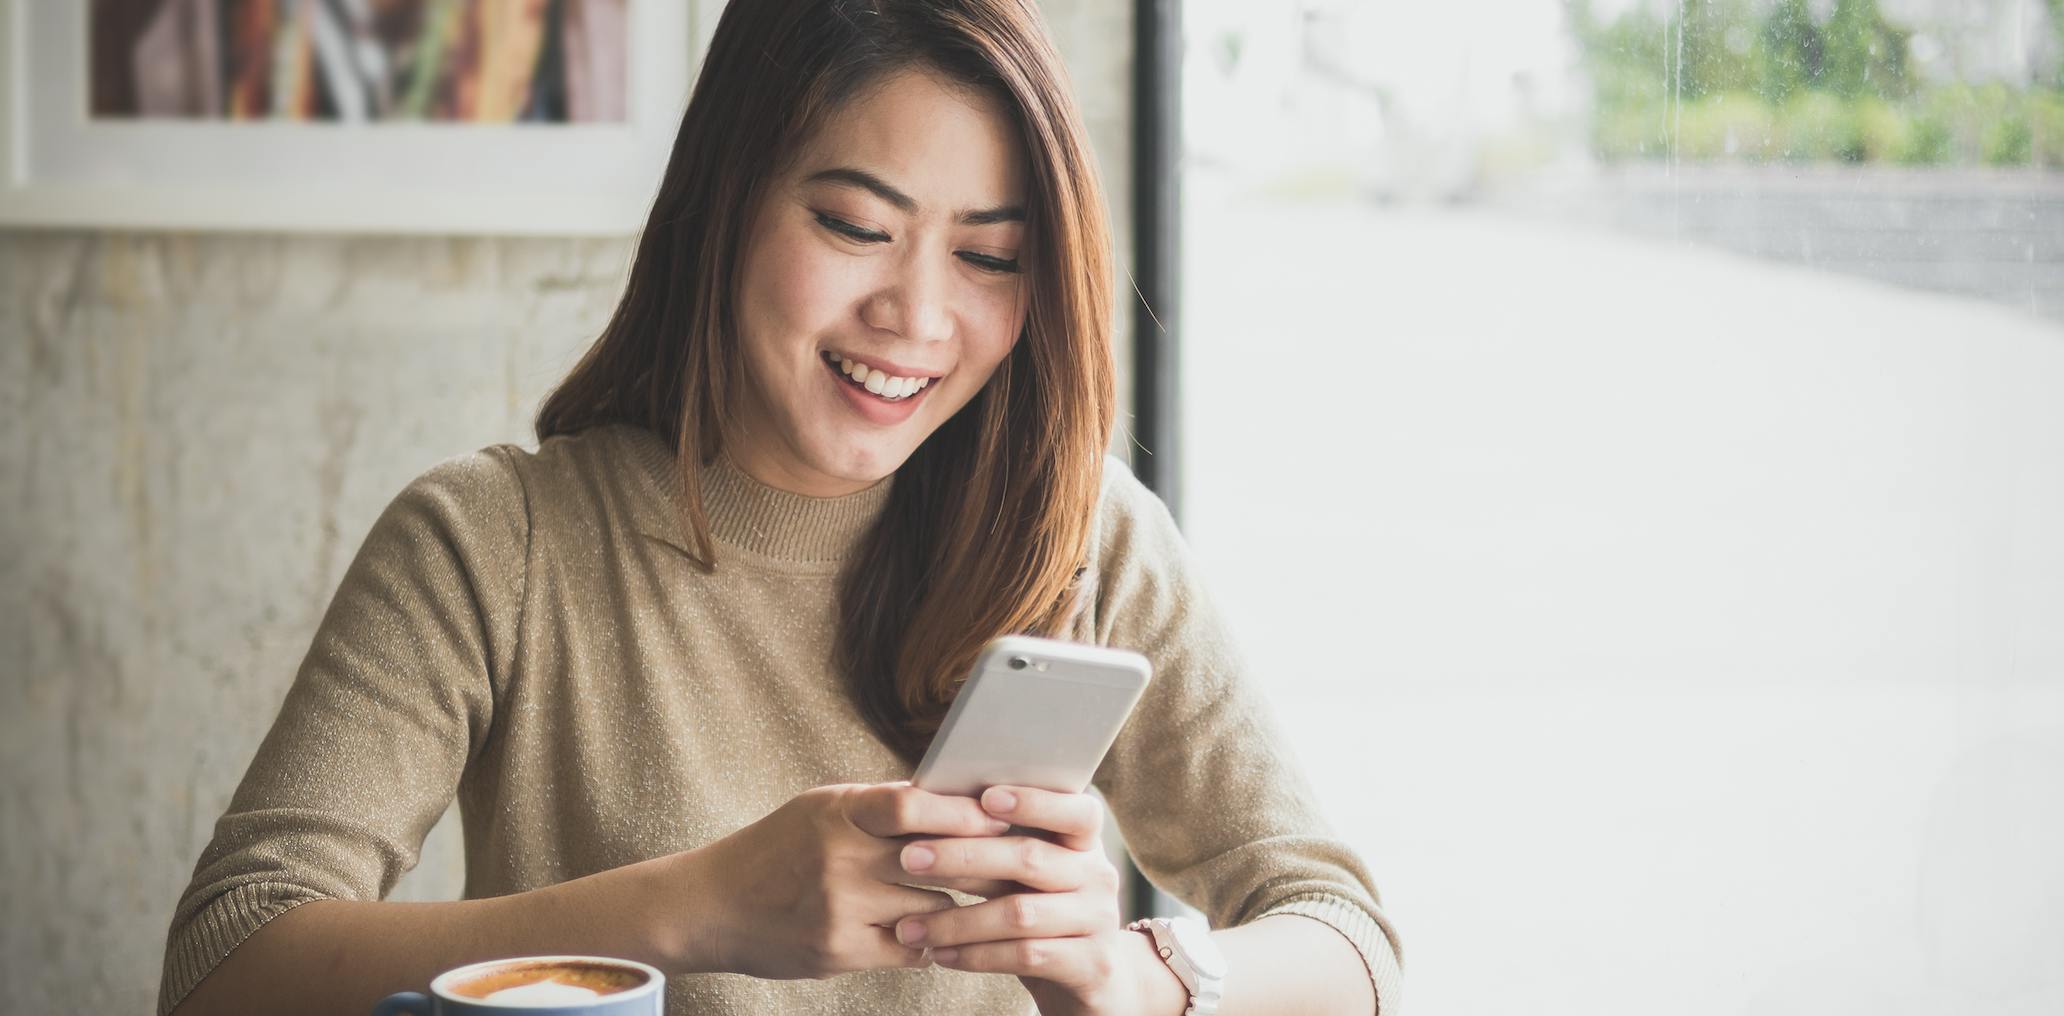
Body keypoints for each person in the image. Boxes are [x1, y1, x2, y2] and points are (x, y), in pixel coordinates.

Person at [158, 1, 1402, 1013]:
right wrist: (693, 906)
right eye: (856, 225)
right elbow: (224, 960)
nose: (916, 318)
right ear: (726, 201)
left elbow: (1347, 936)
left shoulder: (1082, 535)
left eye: (988, 255)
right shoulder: (496, 542)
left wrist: (1135, 976)